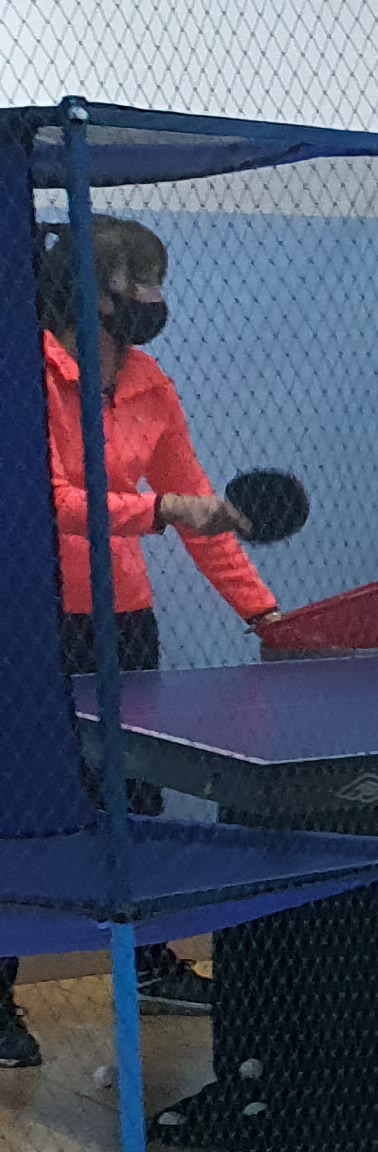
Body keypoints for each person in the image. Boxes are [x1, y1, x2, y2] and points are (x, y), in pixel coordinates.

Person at [0, 215, 281, 1069]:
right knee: (20, 804)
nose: (154, 300)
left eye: (158, 282)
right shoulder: (23, 374)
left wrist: (265, 615)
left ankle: (152, 961)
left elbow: (201, 511)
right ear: (85, 292)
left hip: (123, 622)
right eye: (136, 283)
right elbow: (46, 499)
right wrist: (158, 511)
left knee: (136, 799)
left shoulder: (153, 387)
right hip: (28, 619)